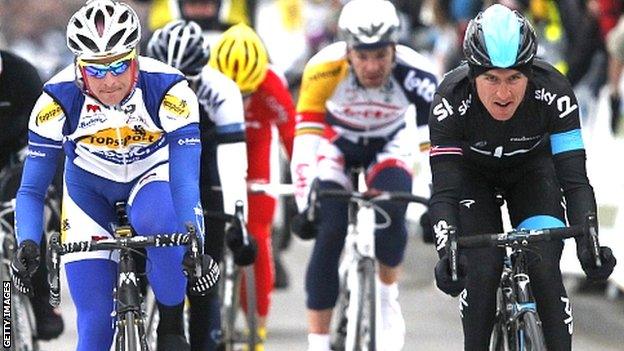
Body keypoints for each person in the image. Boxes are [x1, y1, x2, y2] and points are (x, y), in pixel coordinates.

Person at [9, 1, 219, 350]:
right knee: (94, 329)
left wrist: (194, 239)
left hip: (149, 179)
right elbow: (31, 189)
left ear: (135, 57)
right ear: (79, 66)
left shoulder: (169, 89)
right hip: (87, 193)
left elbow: (184, 181)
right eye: (96, 69)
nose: (109, 80)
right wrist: (28, 241)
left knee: (164, 223)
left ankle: (170, 324)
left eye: (119, 65)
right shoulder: (55, 101)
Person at [429, 4, 617, 351]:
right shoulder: (450, 100)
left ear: (530, 73)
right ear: (472, 75)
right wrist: (448, 252)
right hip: (472, 180)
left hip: (532, 172)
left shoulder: (555, 92)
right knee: (481, 273)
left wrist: (588, 244)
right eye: (492, 79)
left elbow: (574, 180)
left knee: (545, 270)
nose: (504, 94)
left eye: (515, 77)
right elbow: (444, 191)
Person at [289, 0, 438, 350]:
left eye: (381, 56)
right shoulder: (322, 69)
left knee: (392, 216)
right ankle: (318, 342)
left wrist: (436, 198)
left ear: (394, 50)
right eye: (363, 56)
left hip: (389, 144)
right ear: (348, 52)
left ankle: (386, 299)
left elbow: (431, 146)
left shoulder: (419, 74)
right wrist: (304, 204)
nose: (372, 66)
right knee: (329, 233)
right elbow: (306, 144)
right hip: (338, 145)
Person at [146, 19, 254, 351]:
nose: (176, 93)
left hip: (204, 174)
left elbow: (233, 162)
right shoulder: (137, 86)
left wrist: (238, 217)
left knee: (203, 279)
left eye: (186, 83)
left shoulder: (220, 91)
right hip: (149, 171)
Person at [208, 22, 296, 349]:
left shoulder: (272, 84)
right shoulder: (202, 82)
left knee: (256, 237)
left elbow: (293, 137)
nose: (239, 99)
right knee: (202, 230)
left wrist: (304, 187)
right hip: (215, 155)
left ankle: (257, 323)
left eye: (245, 93)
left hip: (256, 157)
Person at [0, 48, 65, 341]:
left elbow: (47, 136)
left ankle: (42, 306)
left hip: (19, 159)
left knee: (25, 220)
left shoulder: (22, 74)